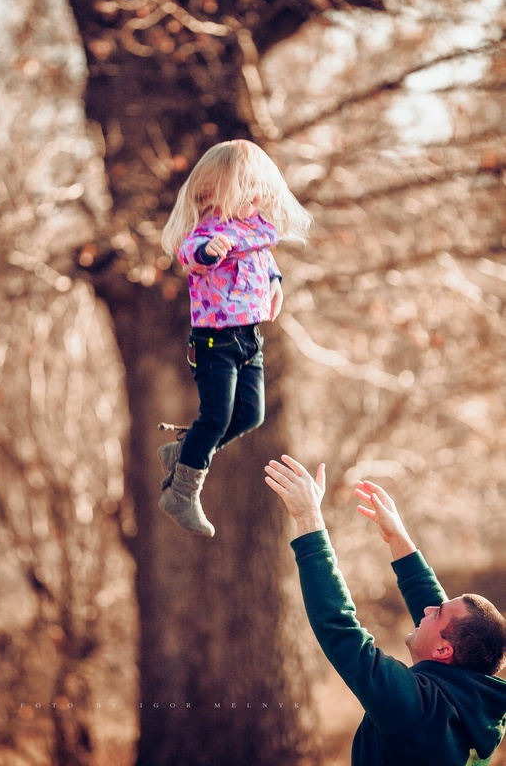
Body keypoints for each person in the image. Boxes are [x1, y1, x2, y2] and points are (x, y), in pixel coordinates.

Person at [264, 454, 506, 765]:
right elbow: (439, 613)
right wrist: (398, 538)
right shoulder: (474, 704)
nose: (428, 608)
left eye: (437, 614)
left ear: (445, 650)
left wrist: (309, 519)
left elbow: (339, 628)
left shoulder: (416, 712)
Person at [158, 140, 312, 537]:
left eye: (257, 188)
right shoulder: (207, 232)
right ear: (214, 191)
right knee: (216, 416)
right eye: (244, 189)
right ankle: (182, 493)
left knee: (250, 414)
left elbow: (265, 263)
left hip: (248, 339)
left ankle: (185, 452)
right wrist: (210, 252)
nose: (255, 197)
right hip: (215, 342)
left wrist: (275, 285)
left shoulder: (254, 230)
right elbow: (190, 255)